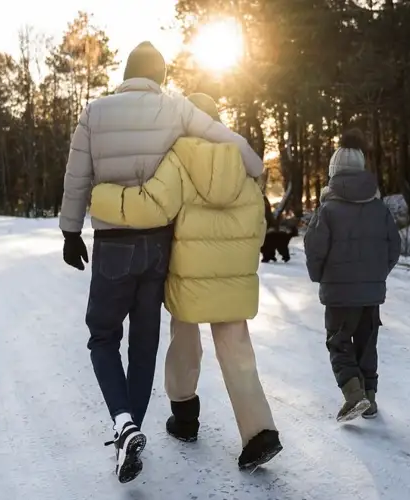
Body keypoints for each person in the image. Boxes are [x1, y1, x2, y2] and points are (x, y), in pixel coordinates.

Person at [59, 43, 264, 483]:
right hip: (157, 245)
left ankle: (124, 424)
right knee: (144, 342)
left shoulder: (95, 112)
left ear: (126, 74)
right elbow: (224, 138)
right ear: (161, 78)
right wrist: (255, 166)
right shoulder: (174, 108)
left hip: (113, 243)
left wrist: (70, 231)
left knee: (103, 336)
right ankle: (130, 430)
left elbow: (76, 176)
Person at [89, 93, 281, 470]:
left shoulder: (179, 157)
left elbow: (151, 205)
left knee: (184, 342)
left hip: (187, 274)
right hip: (232, 275)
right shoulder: (241, 160)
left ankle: (185, 416)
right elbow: (259, 223)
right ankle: (260, 433)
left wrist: (101, 197)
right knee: (237, 351)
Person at [303, 129, 401, 422]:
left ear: (333, 171)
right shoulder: (379, 207)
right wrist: (375, 275)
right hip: (371, 293)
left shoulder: (328, 208)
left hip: (339, 293)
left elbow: (314, 248)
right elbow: (393, 247)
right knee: (367, 345)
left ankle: (354, 394)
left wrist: (320, 276)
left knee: (339, 342)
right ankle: (370, 399)